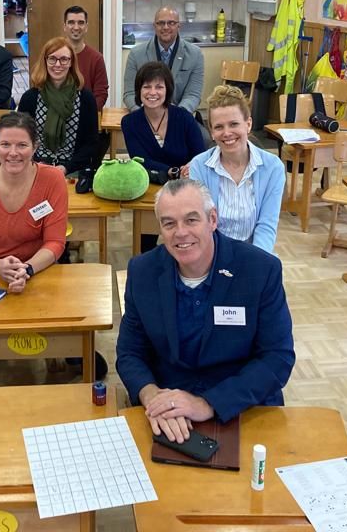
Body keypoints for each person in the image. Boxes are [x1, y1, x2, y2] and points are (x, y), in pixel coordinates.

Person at [115, 179, 294, 442]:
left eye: (191, 220)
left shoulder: (260, 270)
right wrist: (152, 396)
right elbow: (130, 352)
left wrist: (207, 404)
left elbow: (277, 358)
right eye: (169, 223)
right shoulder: (142, 271)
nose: (180, 233)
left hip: (241, 408)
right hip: (169, 412)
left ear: (212, 219)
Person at [0, 111, 81, 379]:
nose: (13, 153)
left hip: (39, 268)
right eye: (5, 145)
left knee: (82, 357)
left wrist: (27, 270)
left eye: (22, 145)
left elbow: (56, 243)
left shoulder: (53, 180)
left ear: (35, 147)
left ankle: (65, 342)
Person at [188, 85, 285, 253]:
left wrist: (254, 262)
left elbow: (266, 226)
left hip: (255, 253)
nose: (227, 133)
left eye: (233, 124)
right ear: (211, 132)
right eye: (219, 127)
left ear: (248, 124)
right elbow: (201, 225)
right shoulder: (199, 166)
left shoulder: (273, 167)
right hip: (212, 253)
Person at [122, 61, 206, 251]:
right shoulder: (130, 122)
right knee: (147, 244)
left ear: (167, 90)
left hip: (186, 186)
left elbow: (200, 155)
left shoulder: (183, 117)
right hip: (152, 186)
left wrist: (190, 167)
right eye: (147, 87)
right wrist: (171, 171)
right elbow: (140, 160)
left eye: (159, 87)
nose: (153, 92)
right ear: (138, 90)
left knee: (186, 235)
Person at [17, 36, 99, 176]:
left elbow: (90, 144)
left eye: (64, 59)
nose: (58, 64)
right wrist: (36, 164)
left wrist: (66, 168)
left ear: (71, 62)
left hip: (73, 169)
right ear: (45, 61)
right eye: (52, 58)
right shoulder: (30, 98)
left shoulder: (86, 99)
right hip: (36, 166)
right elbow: (20, 138)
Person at [122, 7, 204, 114]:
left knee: (202, 132)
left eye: (171, 23)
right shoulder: (135, 54)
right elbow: (130, 94)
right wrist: (143, 114)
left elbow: (193, 95)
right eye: (161, 23)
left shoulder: (195, 54)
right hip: (145, 116)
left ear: (179, 26)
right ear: (154, 26)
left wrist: (177, 115)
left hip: (180, 118)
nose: (165, 27)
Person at [63, 5, 108, 109]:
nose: (76, 27)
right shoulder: (54, 56)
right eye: (71, 22)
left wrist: (86, 114)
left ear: (86, 27)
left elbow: (101, 94)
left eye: (81, 23)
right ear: (64, 26)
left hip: (86, 117)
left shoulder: (96, 58)